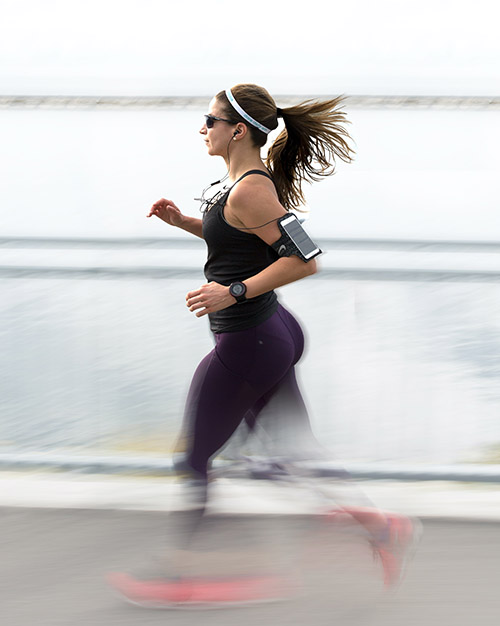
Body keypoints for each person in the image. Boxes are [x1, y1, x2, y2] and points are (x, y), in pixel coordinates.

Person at [109, 84, 420, 607]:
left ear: (237, 130)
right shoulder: (242, 184)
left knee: (194, 460)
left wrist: (233, 292)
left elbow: (305, 259)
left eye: (209, 120)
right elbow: (240, 237)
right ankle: (381, 527)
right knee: (294, 452)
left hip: (250, 341)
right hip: (270, 335)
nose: (202, 128)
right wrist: (185, 222)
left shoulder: (251, 187)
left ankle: (177, 577)